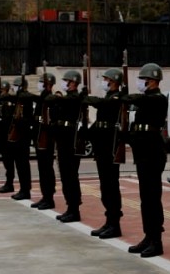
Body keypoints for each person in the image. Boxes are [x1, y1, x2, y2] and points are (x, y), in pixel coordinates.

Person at [123, 63, 167, 257]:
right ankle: (148, 236)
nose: (140, 83)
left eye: (142, 79)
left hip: (153, 151)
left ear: (152, 81)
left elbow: (138, 99)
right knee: (145, 198)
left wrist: (124, 95)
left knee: (152, 197)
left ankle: (156, 240)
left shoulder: (157, 98)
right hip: (143, 151)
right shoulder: (146, 99)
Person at [83, 67, 127, 239]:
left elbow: (102, 104)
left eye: (106, 79)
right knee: (105, 187)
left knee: (111, 186)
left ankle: (115, 224)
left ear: (114, 81)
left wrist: (87, 98)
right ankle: (109, 221)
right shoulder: (109, 97)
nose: (104, 82)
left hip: (111, 149)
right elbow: (100, 123)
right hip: (102, 148)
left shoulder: (116, 98)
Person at [48, 71, 85, 223]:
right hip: (63, 141)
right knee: (64, 176)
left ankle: (74, 209)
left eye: (66, 81)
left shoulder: (75, 98)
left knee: (70, 176)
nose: (64, 83)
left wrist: (57, 98)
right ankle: (70, 207)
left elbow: (69, 101)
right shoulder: (65, 99)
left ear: (74, 83)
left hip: (71, 141)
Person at [28, 72, 58, 210]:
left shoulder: (51, 99)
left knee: (47, 169)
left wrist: (42, 121)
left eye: (42, 82)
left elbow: (50, 119)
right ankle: (45, 196)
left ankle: (49, 197)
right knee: (42, 169)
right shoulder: (42, 98)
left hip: (47, 138)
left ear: (48, 85)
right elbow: (39, 118)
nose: (39, 84)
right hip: (40, 136)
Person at [2, 76, 35, 201]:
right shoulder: (18, 99)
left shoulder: (26, 99)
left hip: (23, 136)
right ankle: (23, 189)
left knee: (23, 165)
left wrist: (21, 121)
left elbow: (29, 118)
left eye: (16, 86)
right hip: (17, 136)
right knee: (19, 165)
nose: (15, 88)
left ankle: (25, 190)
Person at [0, 79, 16, 192]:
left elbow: (6, 119)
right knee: (6, 160)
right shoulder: (0, 102)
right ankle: (8, 182)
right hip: (1, 134)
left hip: (7, 134)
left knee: (8, 160)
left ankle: (9, 183)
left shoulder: (8, 102)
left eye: (0, 90)